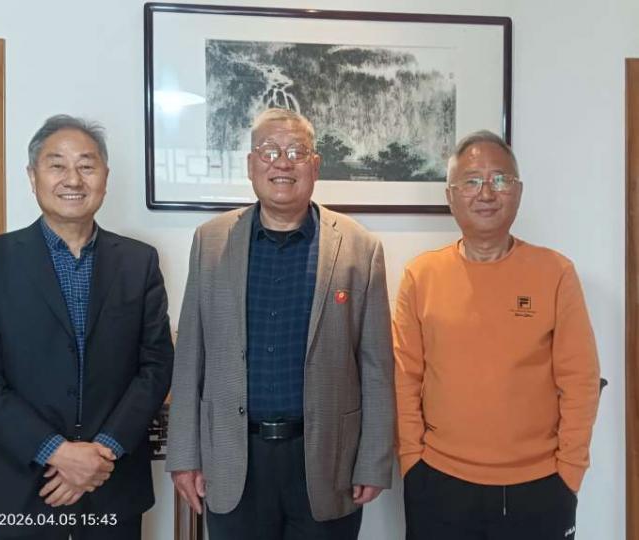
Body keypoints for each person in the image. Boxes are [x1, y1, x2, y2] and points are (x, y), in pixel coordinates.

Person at [166, 108, 394, 540]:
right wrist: (184, 455)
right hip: (233, 457)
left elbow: (377, 366)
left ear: (315, 165)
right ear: (251, 164)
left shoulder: (359, 248)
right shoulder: (210, 241)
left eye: (296, 152)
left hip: (327, 460)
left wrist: (373, 460)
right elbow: (191, 355)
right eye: (269, 151)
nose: (282, 163)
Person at [0, 115, 174, 539]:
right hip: (22, 483)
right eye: (56, 165)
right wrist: (57, 452)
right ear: (32, 176)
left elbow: (156, 366)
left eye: (86, 165)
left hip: (112, 482)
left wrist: (101, 453)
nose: (73, 179)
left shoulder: (139, 262)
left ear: (105, 177)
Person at [393, 130, 600, 540]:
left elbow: (581, 380)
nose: (486, 193)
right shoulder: (421, 276)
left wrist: (569, 471)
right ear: (451, 196)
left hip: (540, 485)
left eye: (500, 179)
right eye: (471, 181)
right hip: (438, 481)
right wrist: (412, 461)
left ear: (518, 192)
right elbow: (404, 379)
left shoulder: (556, 273)